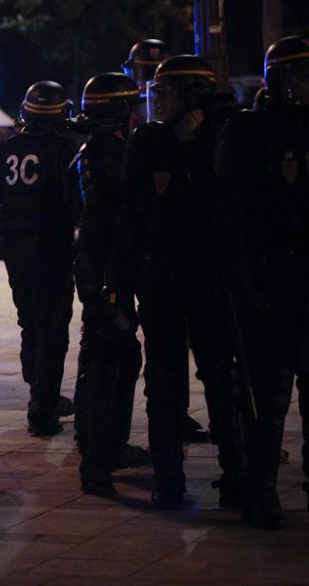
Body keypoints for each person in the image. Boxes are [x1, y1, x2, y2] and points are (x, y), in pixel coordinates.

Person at [107, 55, 242, 510]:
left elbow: (228, 208)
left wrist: (192, 148)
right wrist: (119, 282)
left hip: (209, 279)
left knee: (222, 380)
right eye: (155, 91)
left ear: (192, 95)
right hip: (162, 278)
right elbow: (133, 215)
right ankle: (169, 478)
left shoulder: (225, 137)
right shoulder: (148, 141)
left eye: (166, 92)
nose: (156, 100)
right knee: (163, 382)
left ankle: (238, 475)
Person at [216, 35, 309, 529]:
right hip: (270, 284)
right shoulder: (248, 130)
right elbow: (230, 217)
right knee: (267, 403)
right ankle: (261, 491)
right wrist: (242, 283)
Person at [0, 81, 80, 437]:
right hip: (52, 248)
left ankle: (40, 392)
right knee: (53, 328)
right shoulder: (66, 151)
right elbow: (79, 204)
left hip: (15, 248)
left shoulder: (0, 151)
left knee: (29, 322)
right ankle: (43, 407)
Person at [123, 40, 210, 446]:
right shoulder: (142, 131)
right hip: (159, 269)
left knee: (214, 367)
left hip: (204, 271)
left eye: (162, 88)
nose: (150, 90)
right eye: (142, 73)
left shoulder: (216, 138)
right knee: (162, 365)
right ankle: (168, 464)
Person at [69, 73, 148, 494]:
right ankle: (96, 461)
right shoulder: (108, 155)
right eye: (134, 106)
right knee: (105, 361)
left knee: (119, 356)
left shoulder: (99, 150)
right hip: (104, 273)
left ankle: (107, 448)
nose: (139, 114)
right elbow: (113, 220)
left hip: (102, 269)